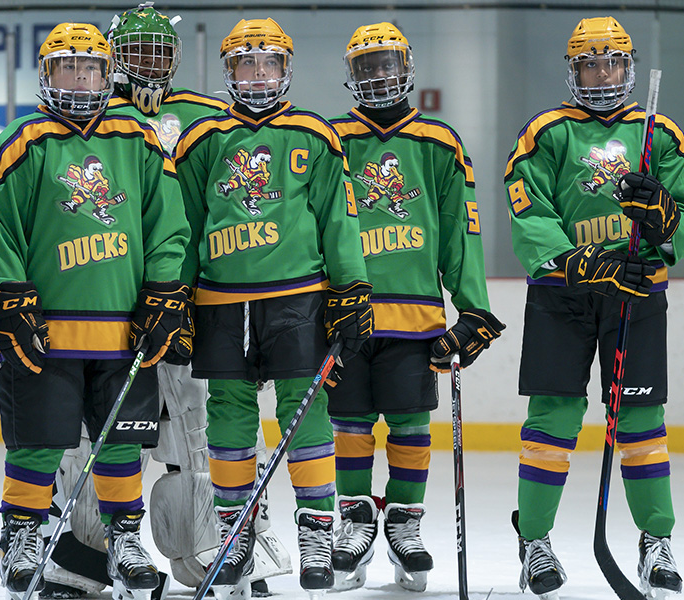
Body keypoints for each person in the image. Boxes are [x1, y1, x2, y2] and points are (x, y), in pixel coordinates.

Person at [38, 5, 292, 598]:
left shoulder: (209, 115)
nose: (151, 62)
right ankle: (83, 552)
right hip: (106, 302)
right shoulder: (89, 120)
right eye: (138, 49)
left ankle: (214, 547)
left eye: (161, 49)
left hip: (194, 302)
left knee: (197, 432)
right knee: (91, 433)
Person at [0, 22, 191, 600]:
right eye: (68, 67)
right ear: (46, 74)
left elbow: (167, 223)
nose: (81, 78)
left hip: (123, 331)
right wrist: (10, 293)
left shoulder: (137, 137)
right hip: (48, 332)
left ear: (107, 73)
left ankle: (124, 541)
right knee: (38, 443)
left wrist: (163, 291)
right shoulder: (24, 140)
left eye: (92, 68)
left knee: (123, 441)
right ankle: (21, 537)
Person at [172, 17, 373, 600]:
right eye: (246, 63)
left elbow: (340, 217)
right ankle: (236, 531)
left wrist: (352, 286)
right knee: (230, 412)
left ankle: (316, 529)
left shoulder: (315, 135)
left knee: (305, 407)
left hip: (297, 297)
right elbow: (184, 227)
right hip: (221, 299)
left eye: (269, 63)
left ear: (287, 69)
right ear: (229, 71)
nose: (258, 74)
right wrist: (173, 296)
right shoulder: (203, 140)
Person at [503, 16, 684, 599]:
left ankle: (655, 541)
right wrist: (580, 262)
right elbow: (528, 211)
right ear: (573, 70)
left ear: (629, 67)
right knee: (552, 421)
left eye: (612, 62)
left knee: (641, 424)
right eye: (590, 63)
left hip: (636, 297)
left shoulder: (658, 133)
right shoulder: (546, 131)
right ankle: (534, 543)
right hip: (562, 296)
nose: (602, 73)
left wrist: (662, 216)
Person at [325, 22, 504, 593]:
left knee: (408, 423)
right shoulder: (329, 138)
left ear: (406, 67)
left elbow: (461, 232)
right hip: (347, 316)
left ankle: (403, 522)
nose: (378, 76)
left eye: (387, 64)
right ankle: (354, 520)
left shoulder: (439, 142)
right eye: (366, 66)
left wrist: (473, 310)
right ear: (351, 75)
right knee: (349, 423)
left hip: (414, 319)